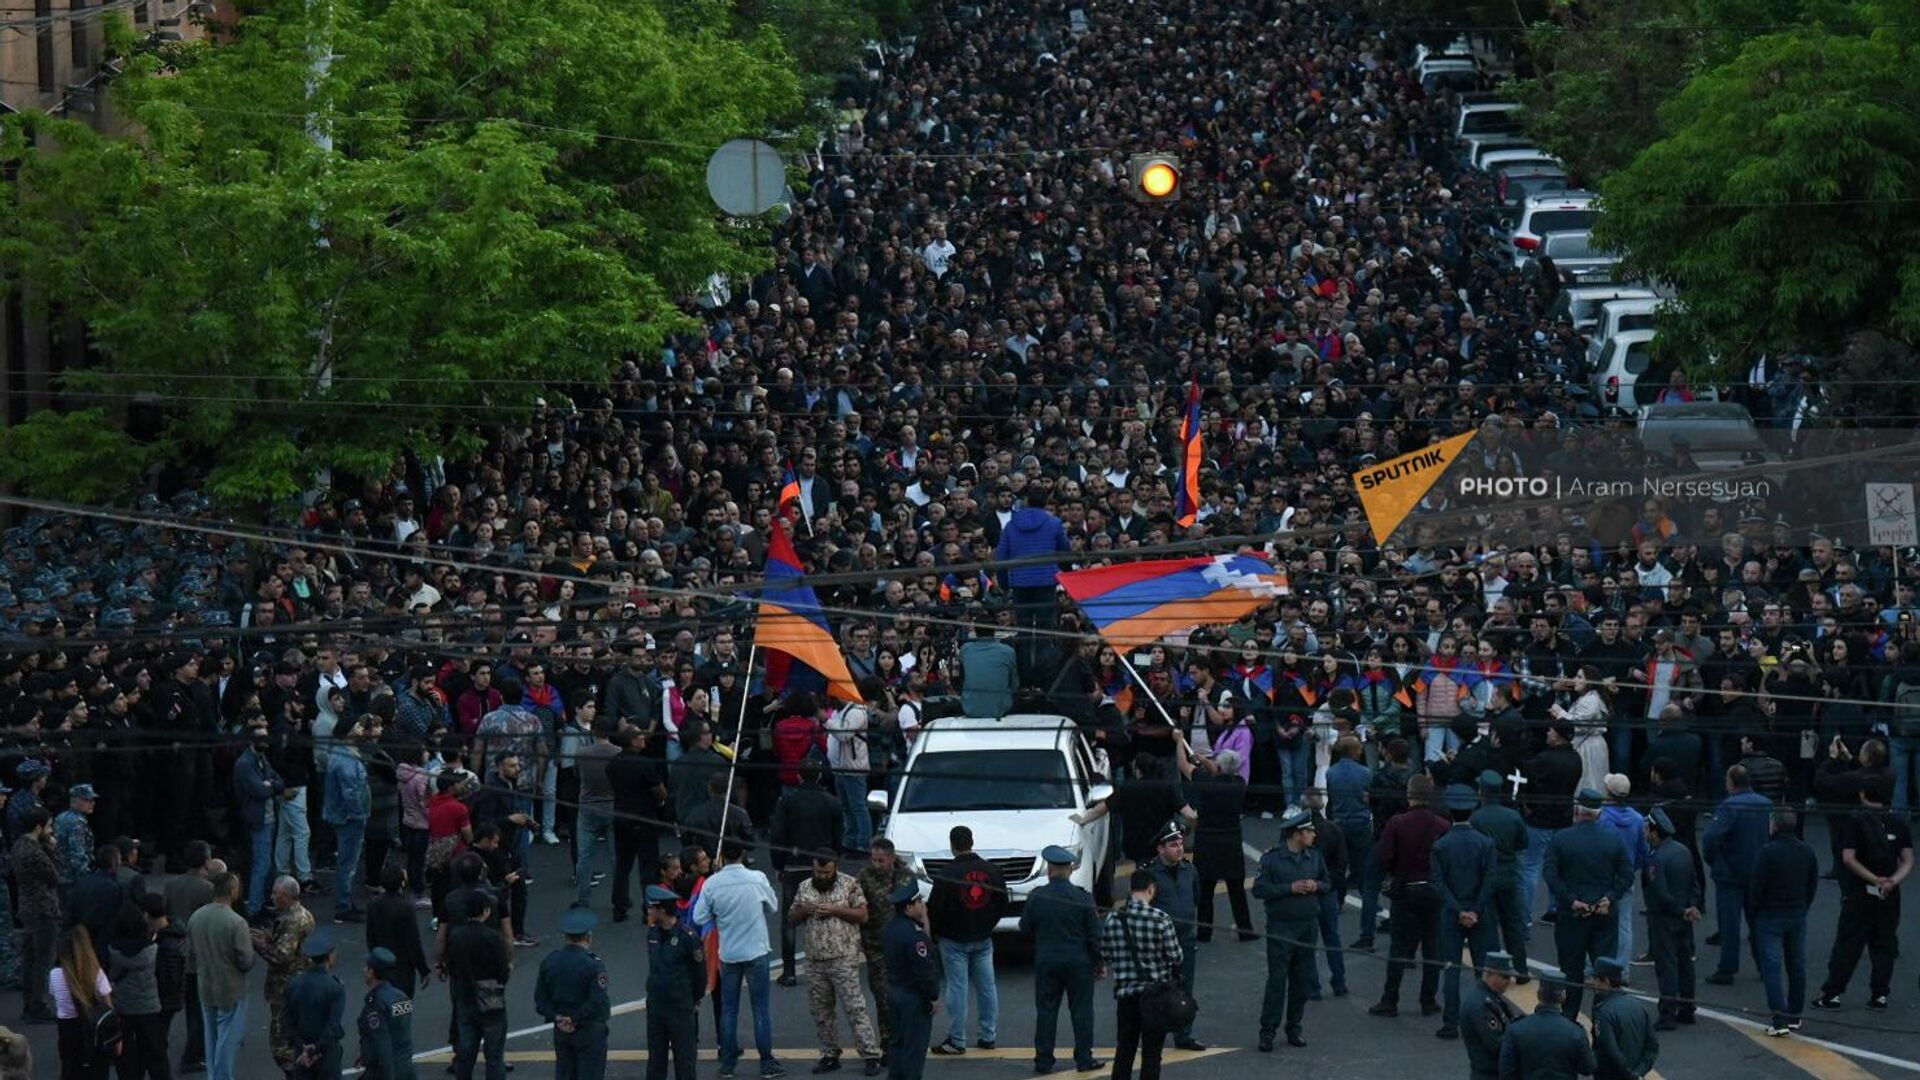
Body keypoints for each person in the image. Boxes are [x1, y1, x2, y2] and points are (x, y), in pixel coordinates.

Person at [1814, 773, 1911, 1011]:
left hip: (1860, 892)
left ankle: (1832, 993)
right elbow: (1908, 859)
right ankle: (1880, 995)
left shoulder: (1855, 821)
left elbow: (1849, 858)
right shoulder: (1898, 822)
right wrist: (1891, 881)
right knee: (1884, 944)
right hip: (1889, 894)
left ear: (1862, 794)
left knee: (1848, 943)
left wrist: (1874, 879)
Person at [691, 840, 787, 1079]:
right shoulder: (757, 878)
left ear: (721, 856)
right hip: (756, 950)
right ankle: (767, 1062)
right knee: (760, 1009)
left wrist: (718, 912)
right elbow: (773, 907)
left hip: (729, 953)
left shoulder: (713, 884)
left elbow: (699, 916)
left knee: (729, 1009)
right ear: (743, 854)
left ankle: (728, 1063)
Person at [1542, 789, 1633, 1019]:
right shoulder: (1613, 840)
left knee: (1571, 974)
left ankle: (1569, 1020)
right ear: (1599, 814)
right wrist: (1610, 897)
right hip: (1603, 914)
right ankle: (1606, 1021)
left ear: (1577, 811)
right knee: (1605, 975)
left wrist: (1571, 900)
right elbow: (1626, 875)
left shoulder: (1561, 839)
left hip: (1572, 916)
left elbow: (1551, 875)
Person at [789, 849, 881, 1075]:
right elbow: (791, 918)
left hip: (843, 957)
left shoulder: (850, 884)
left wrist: (836, 910)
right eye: (818, 871)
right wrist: (805, 909)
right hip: (815, 960)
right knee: (821, 1011)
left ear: (835, 867)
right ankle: (830, 1053)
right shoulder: (804, 887)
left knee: (855, 1008)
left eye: (826, 872)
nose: (822, 876)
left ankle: (870, 1054)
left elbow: (863, 915)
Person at [1370, 774, 1450, 1020]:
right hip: (1433, 891)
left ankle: (1390, 999)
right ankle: (1428, 1000)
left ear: (1409, 794)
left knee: (1399, 947)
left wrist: (1390, 875)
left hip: (1406, 889)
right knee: (1432, 948)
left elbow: (1383, 857)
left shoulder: (1397, 823)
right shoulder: (1443, 825)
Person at [1018, 846, 1102, 1074]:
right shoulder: (1082, 897)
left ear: (1049, 868)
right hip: (1079, 962)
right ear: (1070, 869)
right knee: (1082, 1011)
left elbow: (1024, 927)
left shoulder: (1037, 896)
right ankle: (1084, 1059)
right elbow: (1095, 936)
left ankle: (1043, 1060)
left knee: (1046, 1011)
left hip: (1047, 960)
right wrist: (1099, 963)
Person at [926, 825, 1007, 1057]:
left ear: (952, 845)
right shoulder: (992, 871)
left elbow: (936, 910)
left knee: (957, 988)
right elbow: (1001, 903)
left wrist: (936, 934)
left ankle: (957, 1039)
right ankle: (988, 1035)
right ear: (972, 842)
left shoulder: (946, 874)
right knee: (987, 987)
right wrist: (987, 924)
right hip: (982, 936)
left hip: (954, 939)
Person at [1250, 810, 1328, 1051]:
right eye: (1309, 831)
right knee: (1277, 982)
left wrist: (1317, 885)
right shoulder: (1272, 859)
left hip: (1307, 926)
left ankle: (1294, 1027)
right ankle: (1268, 1031)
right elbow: (1259, 889)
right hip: (1281, 927)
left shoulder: (1314, 857)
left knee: (1301, 982)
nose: (1314, 835)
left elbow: (1328, 882)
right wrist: (1289, 888)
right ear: (1297, 834)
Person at [1099, 869, 1182, 1080]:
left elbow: (1106, 954)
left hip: (1126, 996)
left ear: (1130, 889)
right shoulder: (1161, 918)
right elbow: (1176, 956)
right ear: (1151, 889)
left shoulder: (1113, 919)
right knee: (1152, 1053)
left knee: (1125, 1050)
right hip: (1155, 997)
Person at [1432, 784, 1497, 1040]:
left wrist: (1459, 910)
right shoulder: (1486, 843)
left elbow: (1439, 882)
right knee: (1484, 970)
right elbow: (1490, 879)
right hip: (1480, 912)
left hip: (1451, 912)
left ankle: (1450, 1023)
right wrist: (1475, 910)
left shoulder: (1441, 845)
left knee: (1452, 967)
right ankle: (1486, 1020)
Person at [1747, 809, 1818, 1036]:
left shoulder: (1766, 852)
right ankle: (1795, 1014)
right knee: (1796, 965)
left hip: (1770, 915)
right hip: (1797, 913)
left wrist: (1754, 912)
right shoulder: (1807, 851)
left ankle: (1779, 1019)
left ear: (1774, 826)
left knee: (1772, 967)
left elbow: (1756, 887)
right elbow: (1812, 884)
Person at [1701, 764, 1773, 985]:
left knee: (1730, 925)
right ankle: (1765, 965)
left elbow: (1711, 837)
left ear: (1731, 782)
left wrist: (1715, 860)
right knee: (1759, 922)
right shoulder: (1766, 804)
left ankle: (1727, 969)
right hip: (1758, 872)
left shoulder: (1729, 805)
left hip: (1730, 874)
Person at [771, 768, 843, 986]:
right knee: (827, 912)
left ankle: (790, 971)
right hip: (822, 863)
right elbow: (838, 834)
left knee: (790, 919)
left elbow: (777, 833)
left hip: (794, 864)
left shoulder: (787, 801)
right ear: (819, 776)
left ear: (800, 776)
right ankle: (830, 965)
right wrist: (834, 860)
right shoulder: (831, 802)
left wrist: (778, 863)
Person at [185, 872, 254, 1080]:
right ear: (232, 891)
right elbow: (245, 959)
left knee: (211, 1036)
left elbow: (190, 953)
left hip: (205, 983)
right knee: (227, 1037)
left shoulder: (196, 917)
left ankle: (213, 1075)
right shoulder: (236, 922)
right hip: (230, 987)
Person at [534, 908, 612, 1080]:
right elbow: (596, 1000)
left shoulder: (550, 961)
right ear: (588, 937)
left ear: (565, 937)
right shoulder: (594, 965)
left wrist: (558, 1017)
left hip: (562, 1032)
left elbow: (540, 1000)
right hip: (589, 1030)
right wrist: (575, 1018)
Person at [1641, 808, 1701, 1029]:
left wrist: (1679, 910)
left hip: (1663, 918)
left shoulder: (1655, 858)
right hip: (1684, 916)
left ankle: (1667, 1013)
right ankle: (1687, 1008)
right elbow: (1695, 882)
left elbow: (1659, 892)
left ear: (1655, 831)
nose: (1645, 832)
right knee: (1685, 962)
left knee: (1667, 965)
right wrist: (1691, 906)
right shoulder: (1683, 851)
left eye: (1647, 829)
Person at [855, 838, 915, 1057]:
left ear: (891, 858)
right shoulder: (864, 877)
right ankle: (888, 1043)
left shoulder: (906, 875)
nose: (876, 864)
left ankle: (907, 1038)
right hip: (877, 946)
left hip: (902, 947)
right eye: (874, 859)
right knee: (883, 996)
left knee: (906, 996)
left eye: (881, 860)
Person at [253, 875, 317, 1074]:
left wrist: (258, 944)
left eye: (275, 893)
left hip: (286, 985)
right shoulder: (302, 914)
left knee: (281, 1044)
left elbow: (281, 956)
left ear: (287, 896)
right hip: (300, 982)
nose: (272, 897)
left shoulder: (291, 920)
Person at [445, 893, 512, 1080]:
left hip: (465, 994)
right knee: (494, 1055)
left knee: (466, 1053)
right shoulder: (492, 937)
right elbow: (503, 970)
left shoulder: (456, 935)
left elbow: (451, 964)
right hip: (491, 994)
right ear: (486, 911)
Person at [1470, 770, 1531, 974]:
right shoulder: (1513, 816)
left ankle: (1495, 971)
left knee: (1488, 928)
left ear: (1482, 792)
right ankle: (1521, 969)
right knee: (1512, 925)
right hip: (1508, 875)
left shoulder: (1476, 818)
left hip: (1486, 877)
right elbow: (1522, 844)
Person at [106, 892, 170, 1080]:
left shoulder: (112, 951)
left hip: (122, 1006)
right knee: (155, 1053)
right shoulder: (152, 950)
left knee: (125, 1053)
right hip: (149, 1006)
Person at [880, 882, 940, 1080]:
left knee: (897, 1043)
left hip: (893, 991)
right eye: (919, 902)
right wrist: (933, 996)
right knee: (914, 1049)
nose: (922, 905)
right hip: (913, 998)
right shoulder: (914, 936)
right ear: (908, 907)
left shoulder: (890, 928)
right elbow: (924, 970)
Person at [643, 885, 703, 1080]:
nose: (648, 912)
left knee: (685, 1062)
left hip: (680, 1008)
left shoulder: (688, 938)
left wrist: (691, 1000)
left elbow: (699, 976)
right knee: (655, 1062)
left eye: (651, 908)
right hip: (656, 1008)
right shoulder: (652, 934)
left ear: (662, 910)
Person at [13, 808, 60, 1025]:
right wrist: (52, 848)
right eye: (49, 826)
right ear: (38, 827)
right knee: (43, 960)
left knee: (31, 959)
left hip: (26, 908)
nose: (51, 830)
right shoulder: (36, 852)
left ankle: (29, 1003)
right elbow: (54, 875)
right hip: (43, 909)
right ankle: (38, 1005)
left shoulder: (19, 845)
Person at [1597, 774, 1649, 970]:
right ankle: (1622, 969)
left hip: (1603, 876)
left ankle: (1595, 965)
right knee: (1624, 924)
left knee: (1596, 922)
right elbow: (1643, 851)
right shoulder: (1637, 819)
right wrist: (1632, 868)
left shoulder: (1602, 817)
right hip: (1625, 877)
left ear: (1609, 793)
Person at [233, 728, 286, 918]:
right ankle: (254, 908)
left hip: (269, 817)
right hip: (258, 819)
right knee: (261, 864)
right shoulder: (245, 763)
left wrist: (270, 784)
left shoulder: (261, 759)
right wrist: (271, 785)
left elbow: (278, 781)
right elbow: (258, 791)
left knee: (266, 863)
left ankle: (260, 903)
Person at [280, 929, 345, 1080]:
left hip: (301, 1054)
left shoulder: (293, 984)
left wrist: (302, 1048)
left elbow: (286, 1022)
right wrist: (315, 1049)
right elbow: (333, 1025)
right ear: (330, 956)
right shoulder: (335, 986)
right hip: (327, 1053)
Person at [1497, 980, 1595, 1080]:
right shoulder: (1576, 1032)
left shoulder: (1516, 1029)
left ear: (1538, 994)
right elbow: (1587, 1068)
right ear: (1563, 997)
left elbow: (1506, 1071)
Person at [52, 925, 113, 1080]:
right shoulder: (96, 973)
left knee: (70, 1068)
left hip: (67, 1028)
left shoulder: (55, 974)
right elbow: (108, 1004)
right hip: (92, 1027)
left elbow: (55, 996)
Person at [366, 862, 431, 1000]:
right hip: (402, 967)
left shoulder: (373, 904)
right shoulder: (406, 907)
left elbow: (370, 937)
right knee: (401, 1006)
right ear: (402, 883)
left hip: (381, 964)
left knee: (382, 1003)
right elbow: (414, 942)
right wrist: (423, 970)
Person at [1588, 958, 1658, 1080]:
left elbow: (1610, 1051)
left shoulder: (1603, 1013)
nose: (1593, 983)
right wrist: (1638, 1073)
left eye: (1596, 979)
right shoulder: (1638, 1006)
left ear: (1606, 981)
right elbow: (1652, 1047)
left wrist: (1628, 1074)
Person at [1460, 951, 1523, 1080]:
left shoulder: (1492, 996)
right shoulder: (1480, 1005)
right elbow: (1496, 1044)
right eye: (1504, 977)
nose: (1509, 981)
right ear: (1489, 974)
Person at [356, 948, 416, 1080]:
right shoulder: (401, 996)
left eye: (366, 967)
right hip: (406, 1067)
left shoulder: (376, 1003)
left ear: (372, 973)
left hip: (384, 1071)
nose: (364, 970)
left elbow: (382, 1042)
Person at [957, 620, 1018, 720]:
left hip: (971, 709)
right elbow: (1014, 684)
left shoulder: (965, 650)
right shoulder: (1008, 651)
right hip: (1000, 709)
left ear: (975, 631)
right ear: (994, 630)